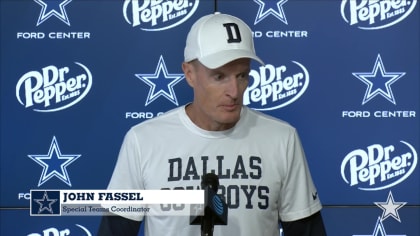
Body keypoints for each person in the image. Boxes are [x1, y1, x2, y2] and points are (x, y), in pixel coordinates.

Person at [98, 12, 327, 236]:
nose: (234, 92)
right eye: (219, 77)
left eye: (242, 75)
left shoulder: (281, 138)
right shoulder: (143, 141)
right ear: (189, 74)